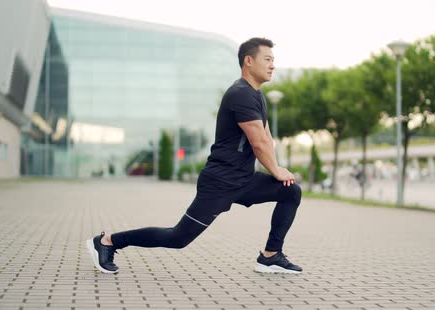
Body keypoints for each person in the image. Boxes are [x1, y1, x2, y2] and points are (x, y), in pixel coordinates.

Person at [86, 37, 303, 275]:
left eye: (274, 60)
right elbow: (258, 143)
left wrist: (278, 170)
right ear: (248, 61)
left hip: (243, 179)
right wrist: (276, 170)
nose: (273, 65)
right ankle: (107, 242)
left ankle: (270, 256)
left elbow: (266, 138)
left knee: (290, 191)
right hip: (220, 182)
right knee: (178, 237)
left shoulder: (257, 96)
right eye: (268, 59)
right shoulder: (241, 94)